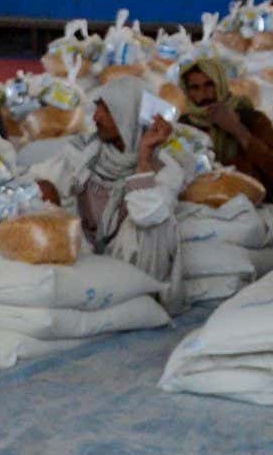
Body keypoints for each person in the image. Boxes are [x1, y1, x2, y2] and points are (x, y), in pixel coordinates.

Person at [30, 75, 185, 312]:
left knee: (157, 224)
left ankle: (142, 300)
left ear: (130, 114)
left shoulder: (166, 167)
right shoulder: (84, 151)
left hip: (129, 260)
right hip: (85, 254)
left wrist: (143, 155)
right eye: (98, 107)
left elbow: (147, 213)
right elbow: (39, 181)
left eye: (107, 110)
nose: (96, 117)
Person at [180, 58, 273, 201]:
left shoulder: (252, 119)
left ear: (221, 84)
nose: (204, 94)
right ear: (187, 91)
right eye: (195, 88)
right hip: (199, 207)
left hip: (251, 206)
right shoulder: (184, 126)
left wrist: (237, 129)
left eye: (209, 85)